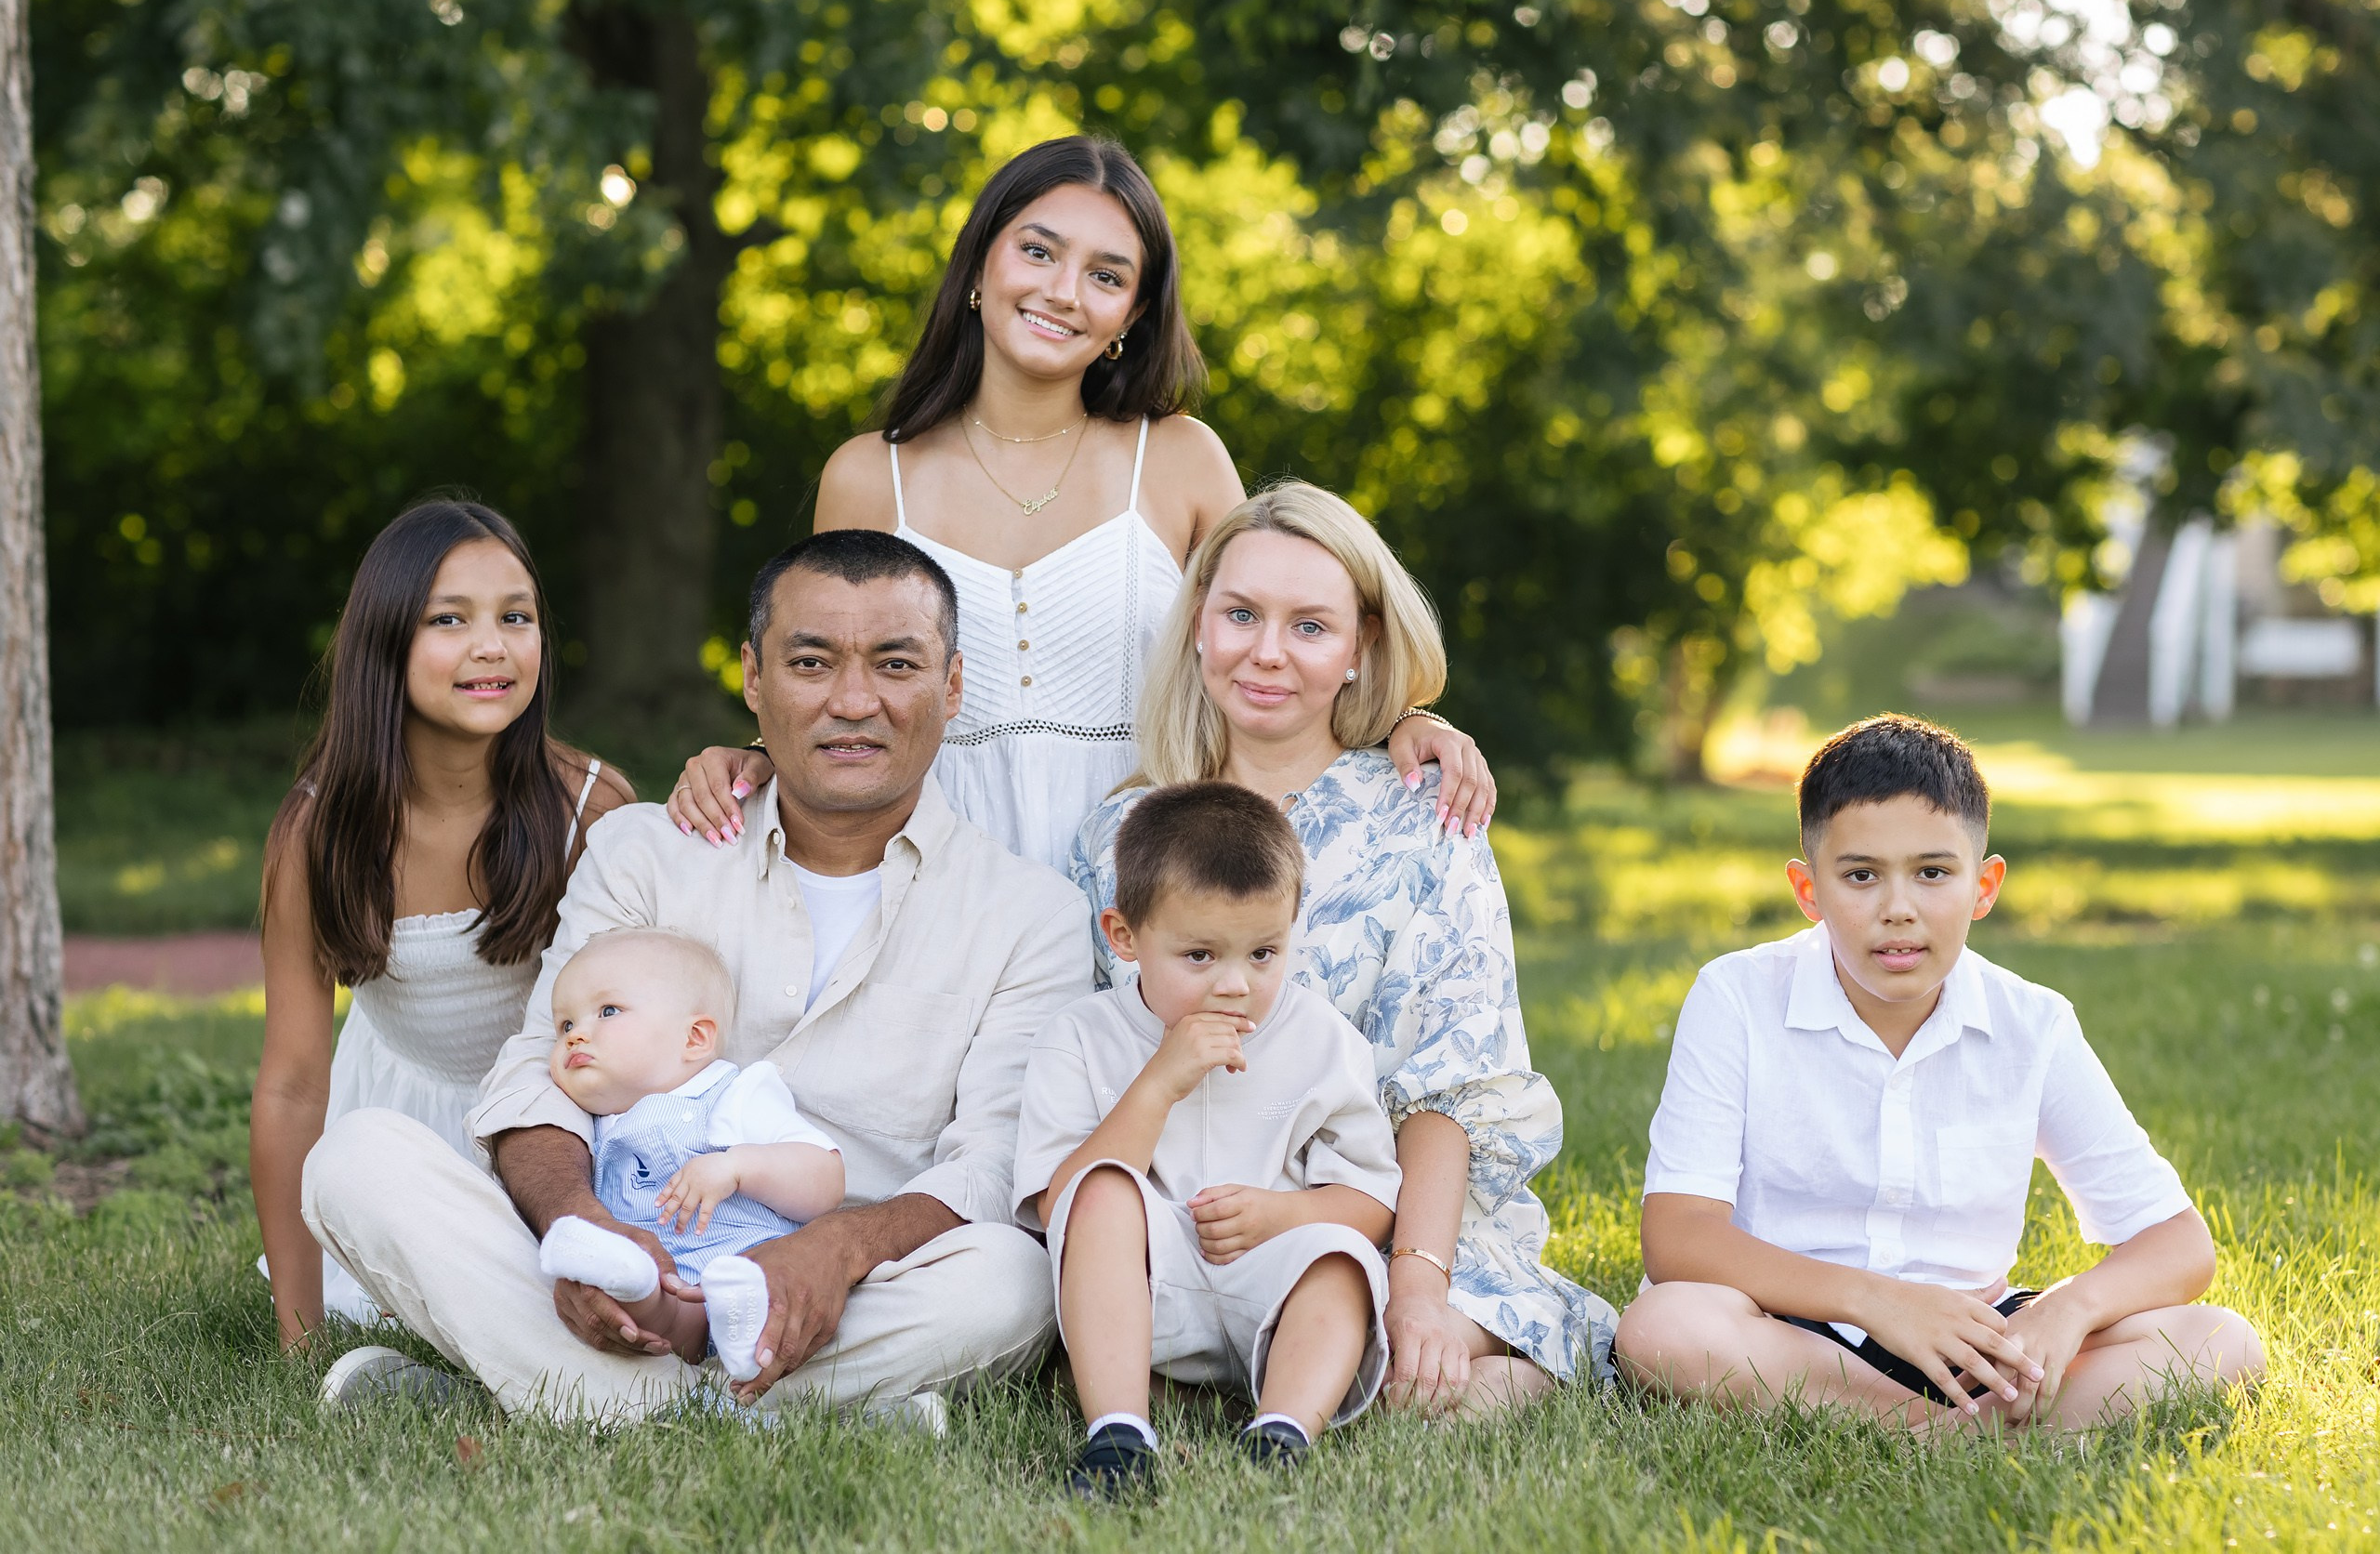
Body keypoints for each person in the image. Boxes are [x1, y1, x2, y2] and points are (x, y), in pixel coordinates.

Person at [301, 530, 1089, 1425]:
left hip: (856, 1291)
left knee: (1015, 1281)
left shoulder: (1031, 914)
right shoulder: (647, 849)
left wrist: (837, 1248)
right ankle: (750, 1418)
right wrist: (578, 1223)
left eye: (896, 663)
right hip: (630, 1264)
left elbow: (992, 1165)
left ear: (951, 687)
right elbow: (538, 1072)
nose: (854, 700)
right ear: (755, 679)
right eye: (812, 661)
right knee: (357, 1159)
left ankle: (567, 1401)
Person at [664, 135, 1497, 869]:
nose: (1065, 291)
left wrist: (1401, 722)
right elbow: (834, 685)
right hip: (937, 879)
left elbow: (1275, 638)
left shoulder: (1180, 459)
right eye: (1038, 251)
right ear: (981, 264)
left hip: (1157, 873)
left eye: (1106, 276)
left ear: (1130, 315)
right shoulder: (866, 476)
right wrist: (754, 755)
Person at [1069, 481, 1617, 1416]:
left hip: (1380, 1212)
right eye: (1240, 613)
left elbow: (1450, 1084)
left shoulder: (1425, 814)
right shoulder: (1122, 831)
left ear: (1361, 645)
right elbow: (1094, 1060)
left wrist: (1416, 1290)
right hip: (1189, 1215)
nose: (1266, 652)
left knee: (1414, 1357)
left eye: (1310, 626)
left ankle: (1388, 1353)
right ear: (1199, 622)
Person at [1615, 715, 2266, 1430]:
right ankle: (1963, 1432)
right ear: (1809, 890)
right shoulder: (1736, 995)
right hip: (1791, 1332)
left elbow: (2176, 1241)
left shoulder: (2032, 1023)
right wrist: (1875, 1300)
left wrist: (2065, 1311)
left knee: (2221, 1341)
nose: (1898, 910)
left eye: (1932, 873)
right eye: (1860, 876)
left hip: (1973, 1337)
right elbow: (1678, 1238)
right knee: (1663, 1326)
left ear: (1983, 886)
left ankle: (1936, 1427)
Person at [251, 495, 631, 1347]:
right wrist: (298, 1331)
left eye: (516, 616)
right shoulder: (318, 834)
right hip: (400, 1130)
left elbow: (640, 1034)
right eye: (449, 619)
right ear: (386, 640)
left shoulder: (589, 809)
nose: (491, 645)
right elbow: (291, 1085)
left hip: (565, 1131)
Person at [1015, 782, 1401, 1495]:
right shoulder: (1082, 1037)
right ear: (1124, 936)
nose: (1236, 984)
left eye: (1263, 952)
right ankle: (1120, 1438)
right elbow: (1056, 1204)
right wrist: (1159, 1081)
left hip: (1273, 1283)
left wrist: (1283, 1215)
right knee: (1101, 1190)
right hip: (1148, 1290)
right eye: (1199, 956)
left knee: (1344, 1261)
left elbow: (1371, 1200)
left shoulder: (1321, 1040)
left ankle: (1281, 1433)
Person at [531, 928, 845, 1382]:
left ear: (694, 1038)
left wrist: (737, 1167)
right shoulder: (590, 1125)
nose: (576, 1036)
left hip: (757, 1267)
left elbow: (827, 1176)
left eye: (608, 1011)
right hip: (677, 1300)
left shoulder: (731, 1095)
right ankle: (627, 1278)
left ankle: (742, 1327)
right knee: (654, 1308)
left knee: (745, 1291)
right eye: (565, 1025)